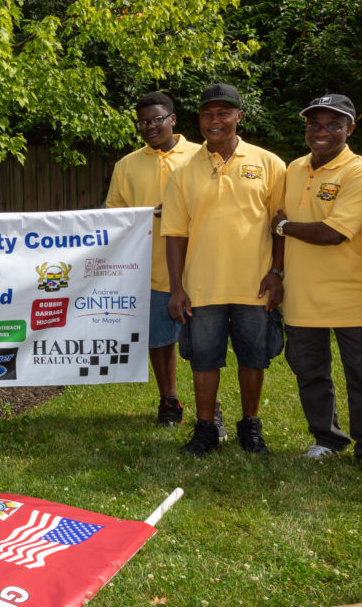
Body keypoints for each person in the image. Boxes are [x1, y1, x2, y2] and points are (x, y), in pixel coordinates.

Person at [161, 84, 286, 457]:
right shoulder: (183, 171)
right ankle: (205, 429)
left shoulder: (269, 163)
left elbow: (280, 226)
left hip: (255, 285)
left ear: (239, 117)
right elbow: (174, 234)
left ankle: (251, 426)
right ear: (199, 119)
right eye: (207, 114)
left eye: (223, 113)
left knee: (254, 358)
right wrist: (177, 288)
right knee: (204, 360)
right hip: (203, 287)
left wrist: (277, 273)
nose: (215, 121)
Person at [273, 95, 362, 463]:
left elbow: (334, 232)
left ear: (350, 129)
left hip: (352, 296)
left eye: (332, 125)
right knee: (310, 373)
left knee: (359, 377)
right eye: (314, 125)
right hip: (301, 295)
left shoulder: (356, 171)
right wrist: (276, 272)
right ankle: (327, 438)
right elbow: (275, 229)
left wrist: (283, 225)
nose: (321, 132)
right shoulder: (293, 169)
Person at [105, 91, 202, 427]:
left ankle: (210, 404)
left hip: (202, 267)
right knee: (160, 341)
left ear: (173, 119)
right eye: (143, 122)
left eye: (156, 119)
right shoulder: (127, 166)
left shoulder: (202, 157)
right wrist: (148, 214)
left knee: (206, 343)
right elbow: (112, 219)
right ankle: (169, 399)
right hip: (151, 270)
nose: (149, 127)